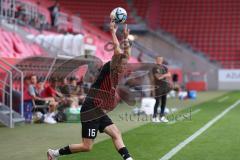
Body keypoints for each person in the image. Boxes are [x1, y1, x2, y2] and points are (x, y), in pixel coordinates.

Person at [47, 21, 133, 160]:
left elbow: (125, 55)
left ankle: (128, 158)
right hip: (90, 109)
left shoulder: (118, 70)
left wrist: (126, 38)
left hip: (98, 110)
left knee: (116, 133)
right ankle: (54, 153)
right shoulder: (111, 67)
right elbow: (118, 49)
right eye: (123, 64)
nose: (125, 66)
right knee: (87, 146)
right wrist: (112, 31)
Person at [152, 56, 171, 123]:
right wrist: (165, 75)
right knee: (157, 102)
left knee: (164, 102)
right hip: (158, 87)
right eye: (159, 59)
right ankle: (154, 117)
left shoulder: (164, 67)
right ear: (156, 60)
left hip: (164, 87)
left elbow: (169, 75)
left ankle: (162, 116)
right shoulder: (155, 67)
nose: (160, 60)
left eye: (161, 59)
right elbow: (158, 77)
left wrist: (165, 75)